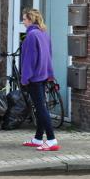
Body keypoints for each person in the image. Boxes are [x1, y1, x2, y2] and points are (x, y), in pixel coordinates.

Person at [21, 9, 60, 151]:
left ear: (31, 20)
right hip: (43, 76)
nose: (23, 22)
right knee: (40, 107)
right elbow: (49, 55)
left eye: (24, 19)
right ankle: (38, 138)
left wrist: (25, 78)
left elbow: (29, 60)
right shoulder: (44, 34)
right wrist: (49, 73)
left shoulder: (31, 36)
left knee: (41, 108)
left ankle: (51, 139)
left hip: (34, 78)